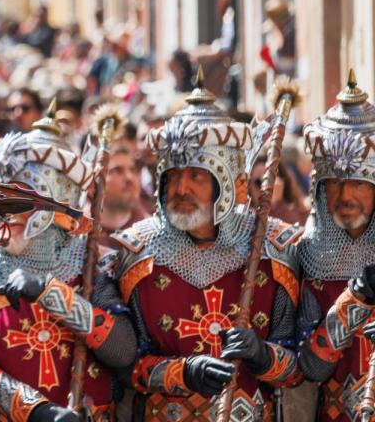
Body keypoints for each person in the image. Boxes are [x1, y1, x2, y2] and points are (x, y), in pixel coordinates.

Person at [110, 75, 302, 419]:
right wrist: (181, 373)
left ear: (225, 181)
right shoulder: (135, 253)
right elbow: (125, 366)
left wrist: (263, 356)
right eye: (172, 176)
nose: (180, 188)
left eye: (195, 175)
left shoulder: (276, 248)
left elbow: (298, 370)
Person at [0, 103, 135, 420]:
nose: (7, 210)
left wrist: (52, 293)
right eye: (2, 197)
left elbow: (123, 351)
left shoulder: (94, 267)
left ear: (54, 207)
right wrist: (37, 411)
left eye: (22, 199)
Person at [295, 73, 375, 419]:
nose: (344, 196)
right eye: (335, 183)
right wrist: (353, 301)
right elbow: (310, 366)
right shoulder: (309, 258)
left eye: (358, 182)